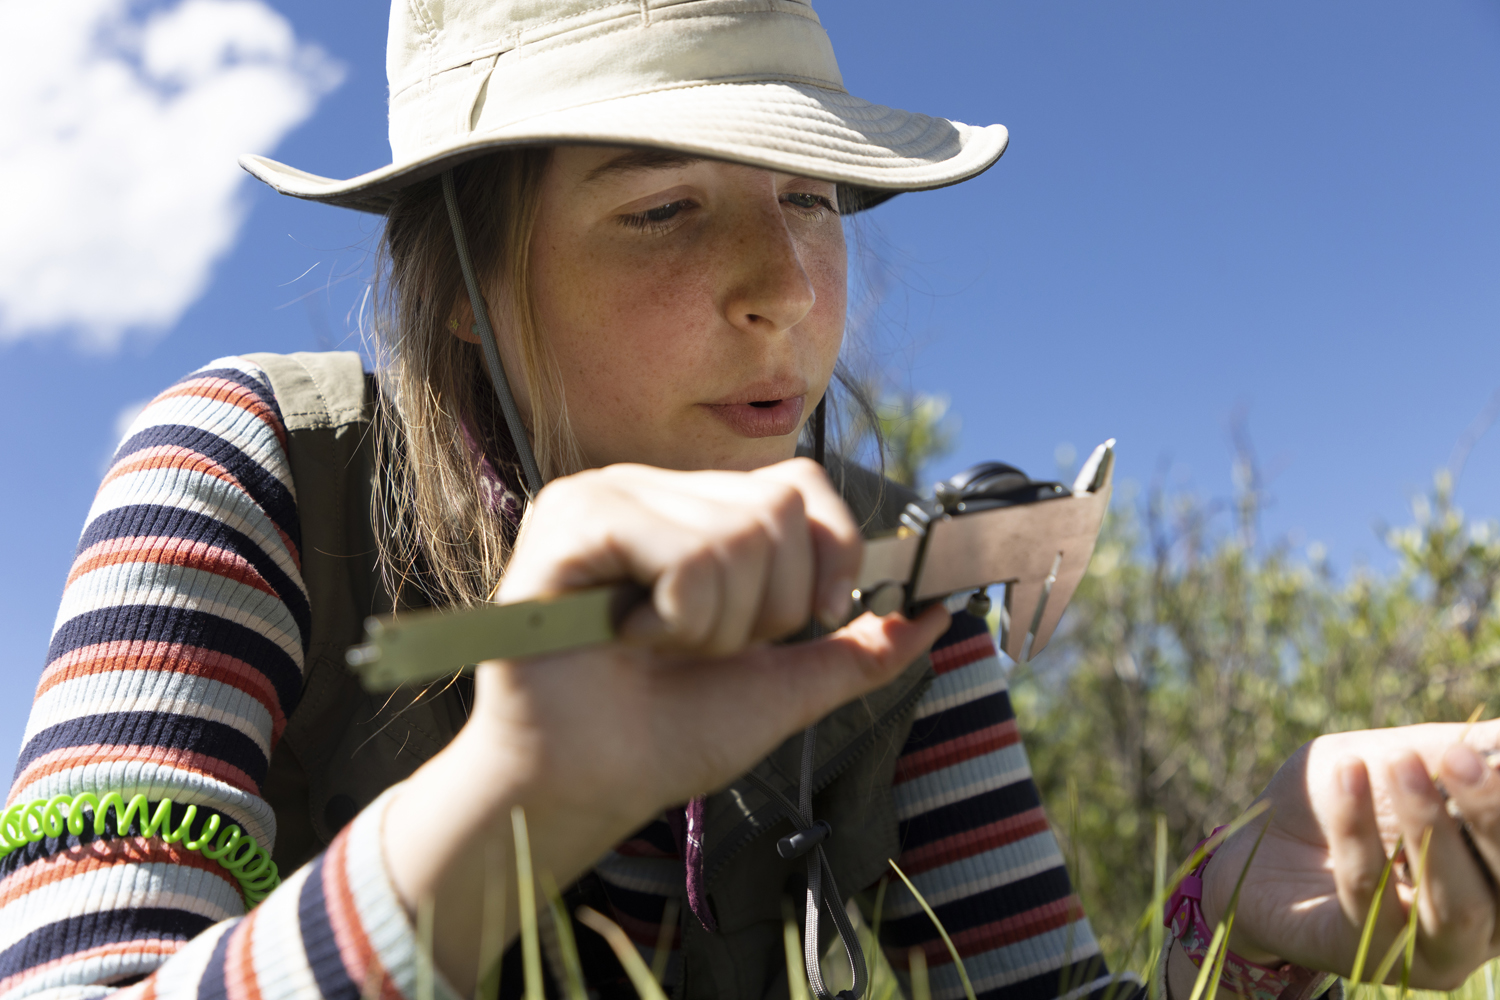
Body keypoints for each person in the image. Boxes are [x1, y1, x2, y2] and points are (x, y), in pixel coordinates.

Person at [4, 3, 1500, 1000]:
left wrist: (1236, 939)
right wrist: (510, 800)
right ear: (461, 280)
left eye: (813, 200)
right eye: (662, 210)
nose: (785, 293)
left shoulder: (903, 581)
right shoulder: (252, 474)